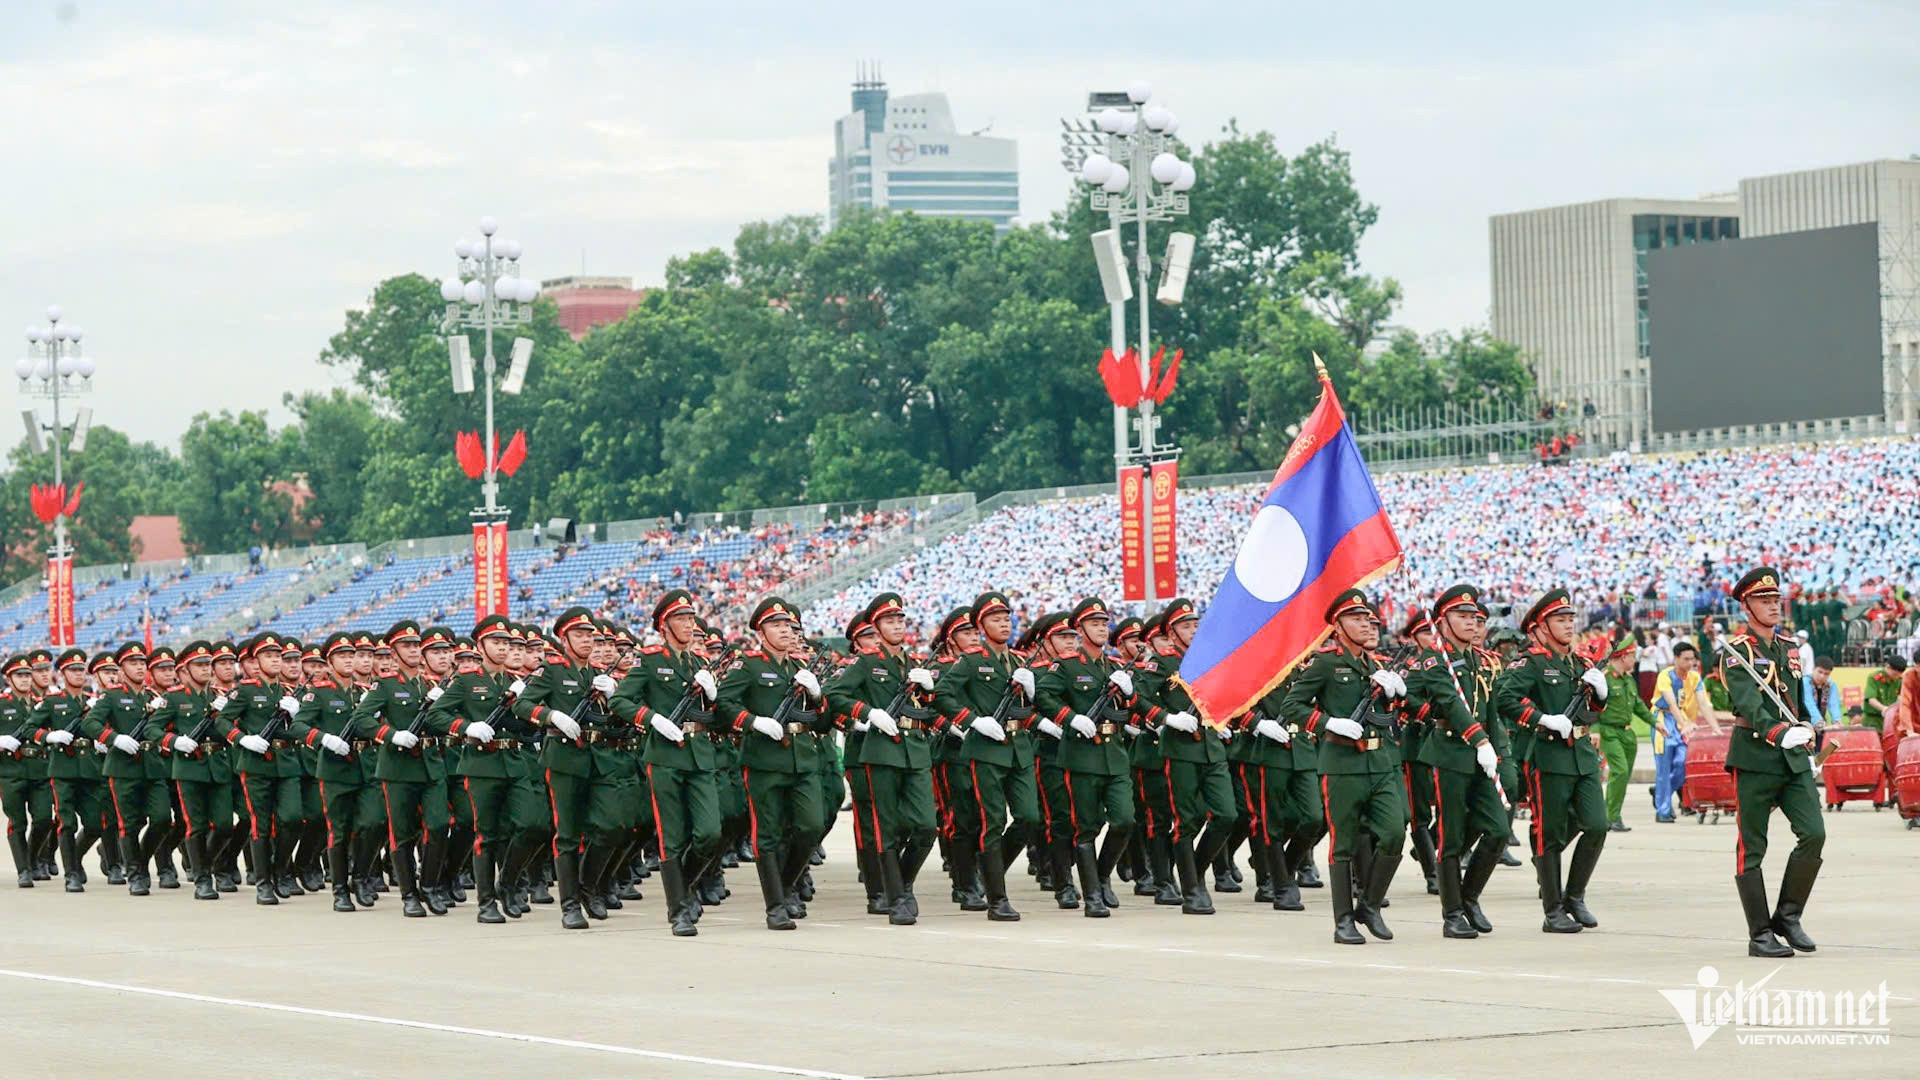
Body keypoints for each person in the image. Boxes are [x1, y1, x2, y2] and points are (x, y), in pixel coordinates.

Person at [1281, 589, 1410, 945]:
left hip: (1379, 761)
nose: (1366, 624)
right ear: (1337, 626)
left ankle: (1368, 905)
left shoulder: (1376, 666)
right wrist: (1328, 724)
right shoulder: (1325, 662)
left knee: (1394, 832)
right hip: (1341, 764)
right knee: (1344, 843)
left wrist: (1396, 695)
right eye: (1356, 618)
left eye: (1367, 618)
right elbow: (1293, 705)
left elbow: (1388, 717)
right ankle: (1343, 922)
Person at [1719, 567, 1824, 959]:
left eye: (1776, 599)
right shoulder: (1736, 653)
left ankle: (1788, 915)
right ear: (1746, 606)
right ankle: (1759, 933)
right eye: (1764, 600)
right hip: (1755, 755)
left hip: (1793, 756)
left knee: (1814, 833)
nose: (1773, 605)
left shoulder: (1790, 647)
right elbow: (1748, 703)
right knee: (1752, 846)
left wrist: (1806, 734)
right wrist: (1778, 732)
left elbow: (1794, 697)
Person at [610, 591, 724, 937]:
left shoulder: (698, 664)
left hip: (699, 753)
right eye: (681, 619)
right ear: (664, 625)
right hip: (665, 756)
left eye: (691, 618)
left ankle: (685, 887)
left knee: (709, 833)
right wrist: (652, 719)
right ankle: (679, 910)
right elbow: (620, 699)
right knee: (671, 836)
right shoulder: (648, 660)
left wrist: (714, 695)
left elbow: (713, 715)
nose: (689, 625)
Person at [1496, 588, 1608, 934]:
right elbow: (1504, 697)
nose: (1569, 625)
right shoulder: (1530, 662)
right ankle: (1553, 908)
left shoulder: (1580, 663)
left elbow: (1589, 711)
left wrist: (1601, 695)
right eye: (1560, 620)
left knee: (1597, 824)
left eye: (1571, 619)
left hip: (1582, 755)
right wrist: (1543, 718)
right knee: (1549, 833)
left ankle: (1575, 895)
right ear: (1539, 627)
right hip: (1548, 754)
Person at [825, 592, 939, 926]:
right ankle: (897, 897)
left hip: (915, 749)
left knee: (925, 827)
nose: (897, 626)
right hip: (881, 751)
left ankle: (901, 883)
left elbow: (932, 707)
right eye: (889, 621)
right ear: (876, 626)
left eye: (900, 620)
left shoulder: (914, 662)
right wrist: (868, 712)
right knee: (886, 827)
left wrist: (930, 689)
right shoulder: (866, 663)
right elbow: (835, 695)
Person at [716, 596, 829, 930]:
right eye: (777, 625)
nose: (785, 631)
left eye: (789, 626)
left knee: (810, 827)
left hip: (802, 758)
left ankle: (789, 884)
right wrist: (752, 722)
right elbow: (724, 703)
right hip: (764, 759)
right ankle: (776, 904)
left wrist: (819, 696)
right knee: (767, 834)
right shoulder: (748, 665)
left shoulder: (800, 670)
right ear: (761, 632)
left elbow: (820, 721)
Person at [1404, 585, 1508, 939]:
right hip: (1451, 751)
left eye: (1474, 617)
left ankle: (1469, 897)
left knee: (1497, 831)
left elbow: (1489, 708)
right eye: (1461, 616)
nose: (1470, 622)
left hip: (1482, 754)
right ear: (1443, 621)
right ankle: (1451, 914)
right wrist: (1478, 740)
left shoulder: (1481, 658)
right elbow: (1450, 702)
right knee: (1450, 837)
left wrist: (1494, 747)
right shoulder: (1435, 658)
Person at [930, 590, 1038, 923]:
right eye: (995, 619)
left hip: (1019, 749)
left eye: (1007, 618)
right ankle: (997, 898)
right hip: (987, 750)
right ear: (980, 625)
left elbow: (1035, 706)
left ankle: (985, 872)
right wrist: (974, 721)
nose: (1004, 624)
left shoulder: (1020, 662)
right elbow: (941, 695)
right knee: (992, 823)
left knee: (1029, 818)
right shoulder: (971, 660)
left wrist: (1032, 691)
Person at [1032, 598, 1138, 918]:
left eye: (1105, 623)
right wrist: (1070, 717)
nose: (1102, 628)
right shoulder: (1066, 665)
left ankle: (1103, 875)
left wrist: (1130, 693)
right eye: (1094, 624)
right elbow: (1044, 696)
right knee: (1085, 825)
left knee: (1124, 819)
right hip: (1081, 755)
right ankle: (1092, 894)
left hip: (1114, 754)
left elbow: (1130, 711)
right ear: (1080, 630)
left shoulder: (1115, 668)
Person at [289, 633, 367, 912]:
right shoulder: (319, 693)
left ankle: (361, 876)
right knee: (339, 830)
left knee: (371, 823)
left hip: (365, 768)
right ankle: (341, 889)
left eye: (351, 655)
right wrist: (324, 739)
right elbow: (297, 726)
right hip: (335, 770)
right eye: (342, 656)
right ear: (330, 662)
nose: (348, 660)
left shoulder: (363, 692)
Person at [1649, 643, 1717, 822]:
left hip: (1683, 722)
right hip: (1663, 721)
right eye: (1685, 659)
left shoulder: (1695, 677)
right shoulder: (1665, 675)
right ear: (1676, 658)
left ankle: (1660, 792)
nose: (1689, 663)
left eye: (1692, 659)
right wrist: (1684, 724)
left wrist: (1715, 728)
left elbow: (1704, 704)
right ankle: (1663, 811)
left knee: (1683, 763)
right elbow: (1671, 703)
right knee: (1663, 768)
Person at [1596, 634, 1654, 832]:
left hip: (1628, 734)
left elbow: (1638, 705)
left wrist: (1656, 724)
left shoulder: (1628, 681)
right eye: (1632, 656)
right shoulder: (1604, 678)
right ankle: (1609, 816)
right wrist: (1595, 732)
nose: (1634, 660)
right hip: (1609, 731)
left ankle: (1613, 815)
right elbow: (1593, 705)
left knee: (1623, 776)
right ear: (1623, 657)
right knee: (1619, 771)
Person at [1801, 657, 1842, 730]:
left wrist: (1837, 722)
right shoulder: (1805, 682)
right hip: (1804, 723)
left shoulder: (1831, 685)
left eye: (1826, 674)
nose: (1822, 676)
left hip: (1822, 725)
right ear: (1813, 669)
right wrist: (1820, 723)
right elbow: (1809, 704)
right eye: (1820, 672)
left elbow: (1834, 705)